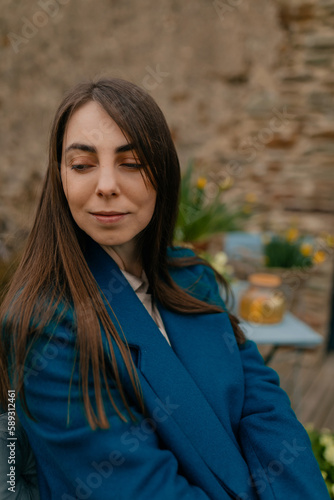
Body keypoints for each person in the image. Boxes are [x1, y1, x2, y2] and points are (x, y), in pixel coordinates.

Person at [0, 79, 330, 500]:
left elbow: (265, 412)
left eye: (132, 162)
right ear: (61, 179)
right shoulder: (46, 328)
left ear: (162, 172)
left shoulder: (195, 279)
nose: (105, 185)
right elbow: (138, 487)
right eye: (82, 165)